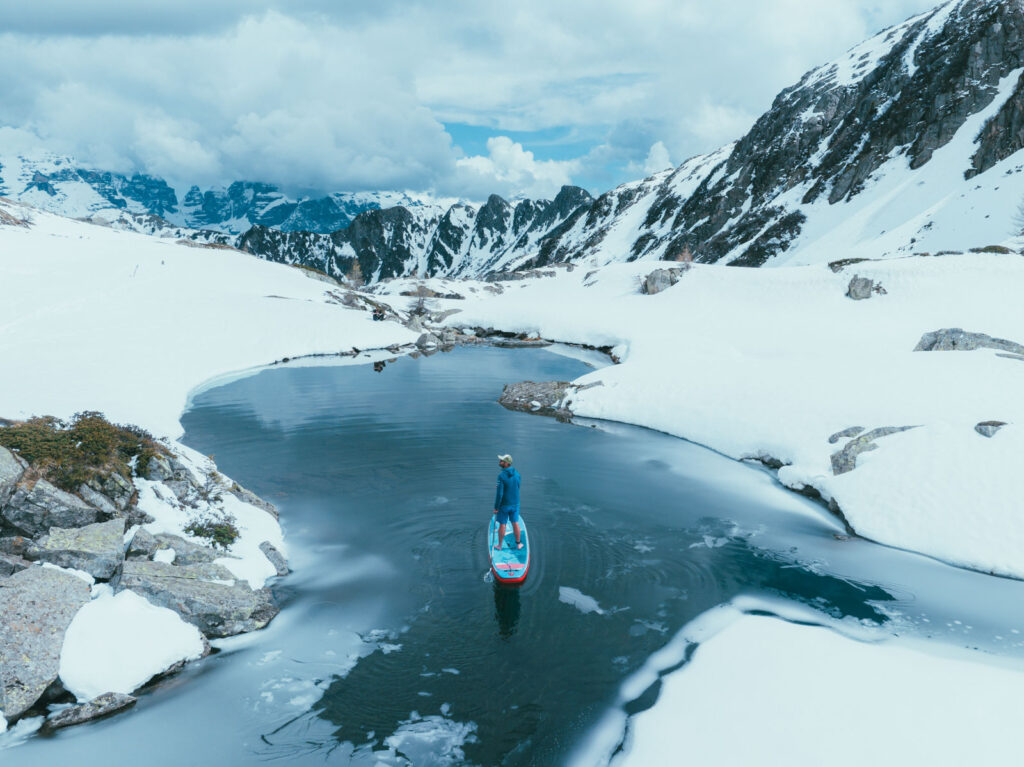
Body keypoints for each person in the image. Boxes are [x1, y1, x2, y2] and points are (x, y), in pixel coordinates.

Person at [493, 454, 522, 550]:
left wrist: (496, 507)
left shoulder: (501, 476)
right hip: (515, 504)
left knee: (502, 524)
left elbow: (499, 494)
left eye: (501, 461)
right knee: (515, 523)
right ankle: (518, 544)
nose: (499, 462)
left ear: (506, 463)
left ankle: (499, 545)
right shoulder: (517, 474)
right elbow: (517, 487)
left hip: (504, 504)